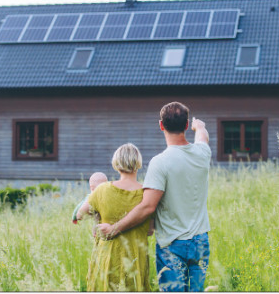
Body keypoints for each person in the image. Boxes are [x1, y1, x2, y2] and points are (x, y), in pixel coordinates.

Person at [98, 101, 212, 292]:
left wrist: (114, 229)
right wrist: (199, 126)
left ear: (161, 125)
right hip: (201, 241)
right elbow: (203, 137)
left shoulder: (160, 163)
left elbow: (147, 207)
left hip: (172, 244)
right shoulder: (202, 153)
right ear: (186, 126)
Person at [77, 143, 151, 291]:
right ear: (138, 163)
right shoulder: (147, 193)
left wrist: (93, 196)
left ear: (116, 164)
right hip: (136, 258)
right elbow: (150, 231)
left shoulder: (102, 190)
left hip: (108, 258)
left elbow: (80, 215)